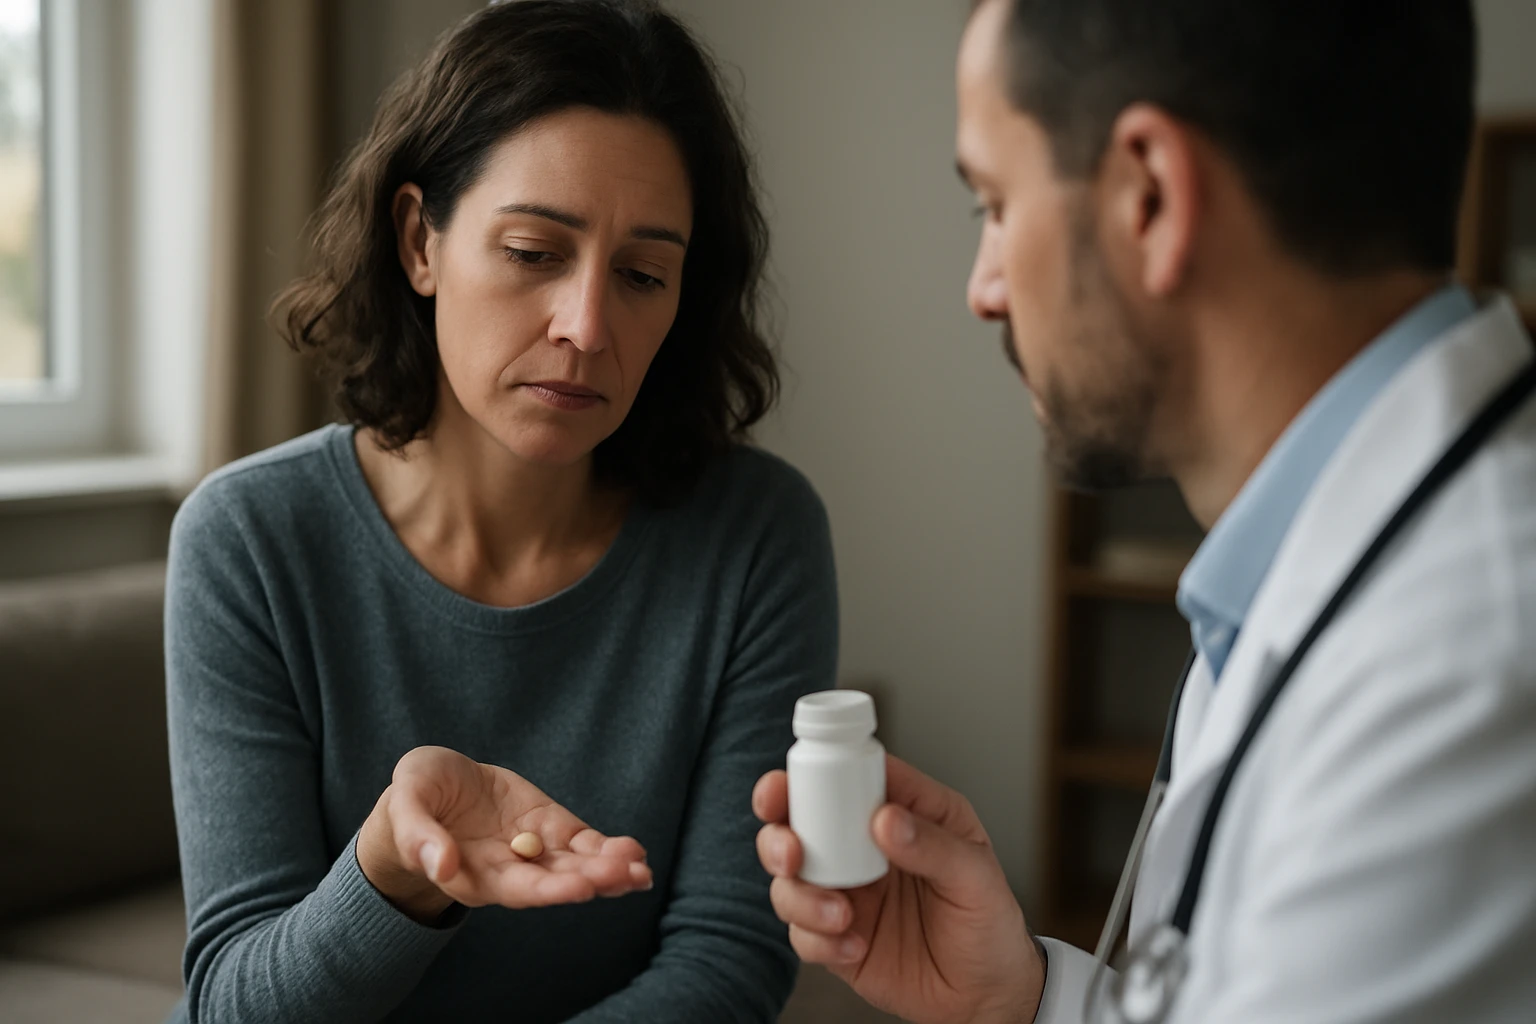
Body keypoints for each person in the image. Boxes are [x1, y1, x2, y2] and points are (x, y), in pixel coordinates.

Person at [756, 0, 1536, 1021]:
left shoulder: (1462, 668)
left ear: (1151, 195)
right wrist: (1022, 999)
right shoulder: (1317, 564)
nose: (982, 288)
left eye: (994, 203)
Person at [165, 2, 836, 1021]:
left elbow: (728, 959)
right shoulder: (248, 541)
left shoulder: (755, 536)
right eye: (533, 251)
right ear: (419, 242)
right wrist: (391, 870)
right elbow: (231, 1005)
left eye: (644, 274)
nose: (587, 325)